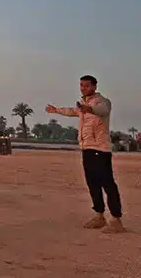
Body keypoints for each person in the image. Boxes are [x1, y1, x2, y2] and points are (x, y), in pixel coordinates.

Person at [46, 75, 124, 233]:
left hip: (100, 149)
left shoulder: (102, 101)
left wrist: (89, 109)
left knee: (107, 184)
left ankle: (116, 220)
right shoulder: (82, 104)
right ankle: (99, 216)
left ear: (94, 87)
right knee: (92, 183)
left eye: (86, 86)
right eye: (81, 85)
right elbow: (72, 111)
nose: (83, 88)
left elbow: (104, 110)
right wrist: (56, 110)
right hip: (87, 148)